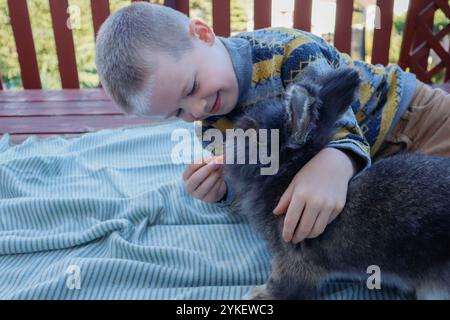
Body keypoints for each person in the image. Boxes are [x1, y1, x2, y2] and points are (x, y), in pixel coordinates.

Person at [95, 2, 450, 245]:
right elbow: (258, 180)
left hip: (415, 118)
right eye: (177, 113)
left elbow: (331, 109)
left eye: (191, 87)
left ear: (202, 34)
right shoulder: (213, 128)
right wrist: (223, 191)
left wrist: (334, 162)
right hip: (384, 176)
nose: (198, 109)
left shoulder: (288, 51)